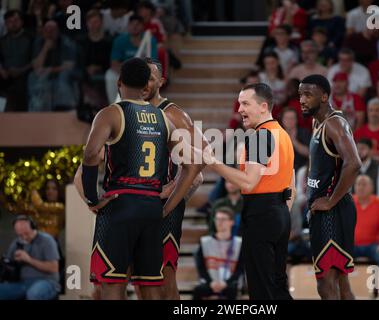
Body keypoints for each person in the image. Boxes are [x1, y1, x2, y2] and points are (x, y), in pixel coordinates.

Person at [73, 57, 198, 300]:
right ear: (145, 86)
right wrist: (169, 203)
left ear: (118, 82)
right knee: (151, 285)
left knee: (111, 284)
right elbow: (194, 166)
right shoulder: (164, 119)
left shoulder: (111, 113)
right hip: (152, 207)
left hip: (121, 204)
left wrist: (92, 200)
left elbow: (89, 155)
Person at [200, 83, 295, 300]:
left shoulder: (260, 136)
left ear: (263, 106)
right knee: (277, 284)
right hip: (279, 212)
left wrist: (212, 162)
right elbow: (292, 184)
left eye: (245, 103)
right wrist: (280, 213)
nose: (240, 109)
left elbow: (249, 182)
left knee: (261, 289)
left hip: (262, 213)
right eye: (239, 103)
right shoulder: (282, 133)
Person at [143, 57, 204, 300]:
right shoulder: (127, 111)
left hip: (163, 205)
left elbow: (204, 153)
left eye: (151, 77)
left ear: (161, 82)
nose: (145, 83)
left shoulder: (173, 113)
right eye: (141, 76)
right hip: (136, 202)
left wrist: (174, 186)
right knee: (140, 279)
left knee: (165, 278)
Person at [299, 74, 361, 300]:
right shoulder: (319, 121)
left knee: (326, 285)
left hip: (332, 212)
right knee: (342, 285)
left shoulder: (334, 123)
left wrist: (330, 200)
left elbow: (354, 163)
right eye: (300, 95)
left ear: (324, 96)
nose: (302, 100)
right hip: (327, 210)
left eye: (308, 94)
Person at [0, 215, 60, 300]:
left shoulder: (46, 240)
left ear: (33, 227)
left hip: (46, 281)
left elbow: (53, 268)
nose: (24, 237)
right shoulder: (17, 242)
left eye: (27, 233)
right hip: (22, 283)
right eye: (20, 235)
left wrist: (29, 259)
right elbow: (7, 261)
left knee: (34, 294)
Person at [193, 207, 244, 300]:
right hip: (210, 282)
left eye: (223, 219)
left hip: (229, 284)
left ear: (231, 222)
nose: (219, 222)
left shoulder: (239, 243)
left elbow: (240, 269)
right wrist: (211, 282)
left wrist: (226, 283)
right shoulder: (205, 241)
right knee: (198, 290)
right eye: (217, 219)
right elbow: (200, 267)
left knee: (232, 290)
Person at [105, 15, 157, 104]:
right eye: (132, 24)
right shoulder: (120, 40)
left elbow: (152, 63)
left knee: (153, 77)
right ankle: (114, 105)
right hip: (124, 71)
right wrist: (127, 73)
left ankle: (146, 106)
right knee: (110, 75)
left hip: (142, 72)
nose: (134, 27)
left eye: (138, 24)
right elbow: (114, 63)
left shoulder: (149, 40)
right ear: (128, 26)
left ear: (143, 26)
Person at [27, 19, 78, 111]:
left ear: (58, 31)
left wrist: (50, 70)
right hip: (44, 74)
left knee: (64, 76)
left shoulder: (66, 42)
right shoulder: (38, 42)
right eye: (47, 30)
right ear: (43, 31)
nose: (49, 32)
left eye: (52, 29)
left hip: (61, 74)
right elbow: (36, 67)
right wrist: (45, 49)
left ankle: (67, 109)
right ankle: (37, 109)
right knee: (33, 76)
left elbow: (69, 66)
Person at [353, 175, 379, 267]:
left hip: (374, 245)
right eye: (358, 184)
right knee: (334, 257)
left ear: (372, 187)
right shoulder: (348, 202)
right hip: (351, 245)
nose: (361, 187)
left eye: (364, 184)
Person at [0, 10, 33, 112]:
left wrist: (21, 70)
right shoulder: (2, 41)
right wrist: (1, 70)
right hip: (5, 75)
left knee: (20, 88)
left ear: (21, 22)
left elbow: (35, 60)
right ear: (5, 24)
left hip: (25, 74)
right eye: (9, 21)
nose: (13, 24)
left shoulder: (31, 38)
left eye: (16, 20)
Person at [280, 107, 311, 172]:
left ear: (296, 120)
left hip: (302, 169)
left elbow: (309, 153)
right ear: (282, 120)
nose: (289, 121)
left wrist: (293, 141)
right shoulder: (278, 134)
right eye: (287, 118)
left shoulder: (304, 133)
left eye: (292, 118)